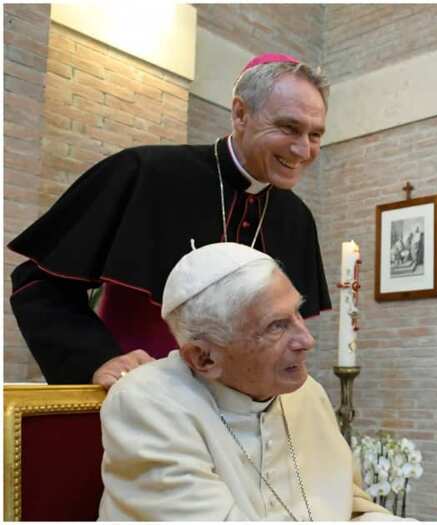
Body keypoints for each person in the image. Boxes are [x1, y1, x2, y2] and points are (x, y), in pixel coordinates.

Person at [99, 241, 437, 521]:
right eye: (276, 326)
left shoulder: (307, 395)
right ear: (205, 357)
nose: (306, 339)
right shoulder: (147, 403)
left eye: (298, 313)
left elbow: (352, 512)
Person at [7, 53, 331, 389]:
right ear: (240, 114)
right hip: (142, 404)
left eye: (315, 135)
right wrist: (98, 359)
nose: (302, 150)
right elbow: (38, 282)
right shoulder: (145, 173)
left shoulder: (298, 219)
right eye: (289, 127)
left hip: (244, 419)